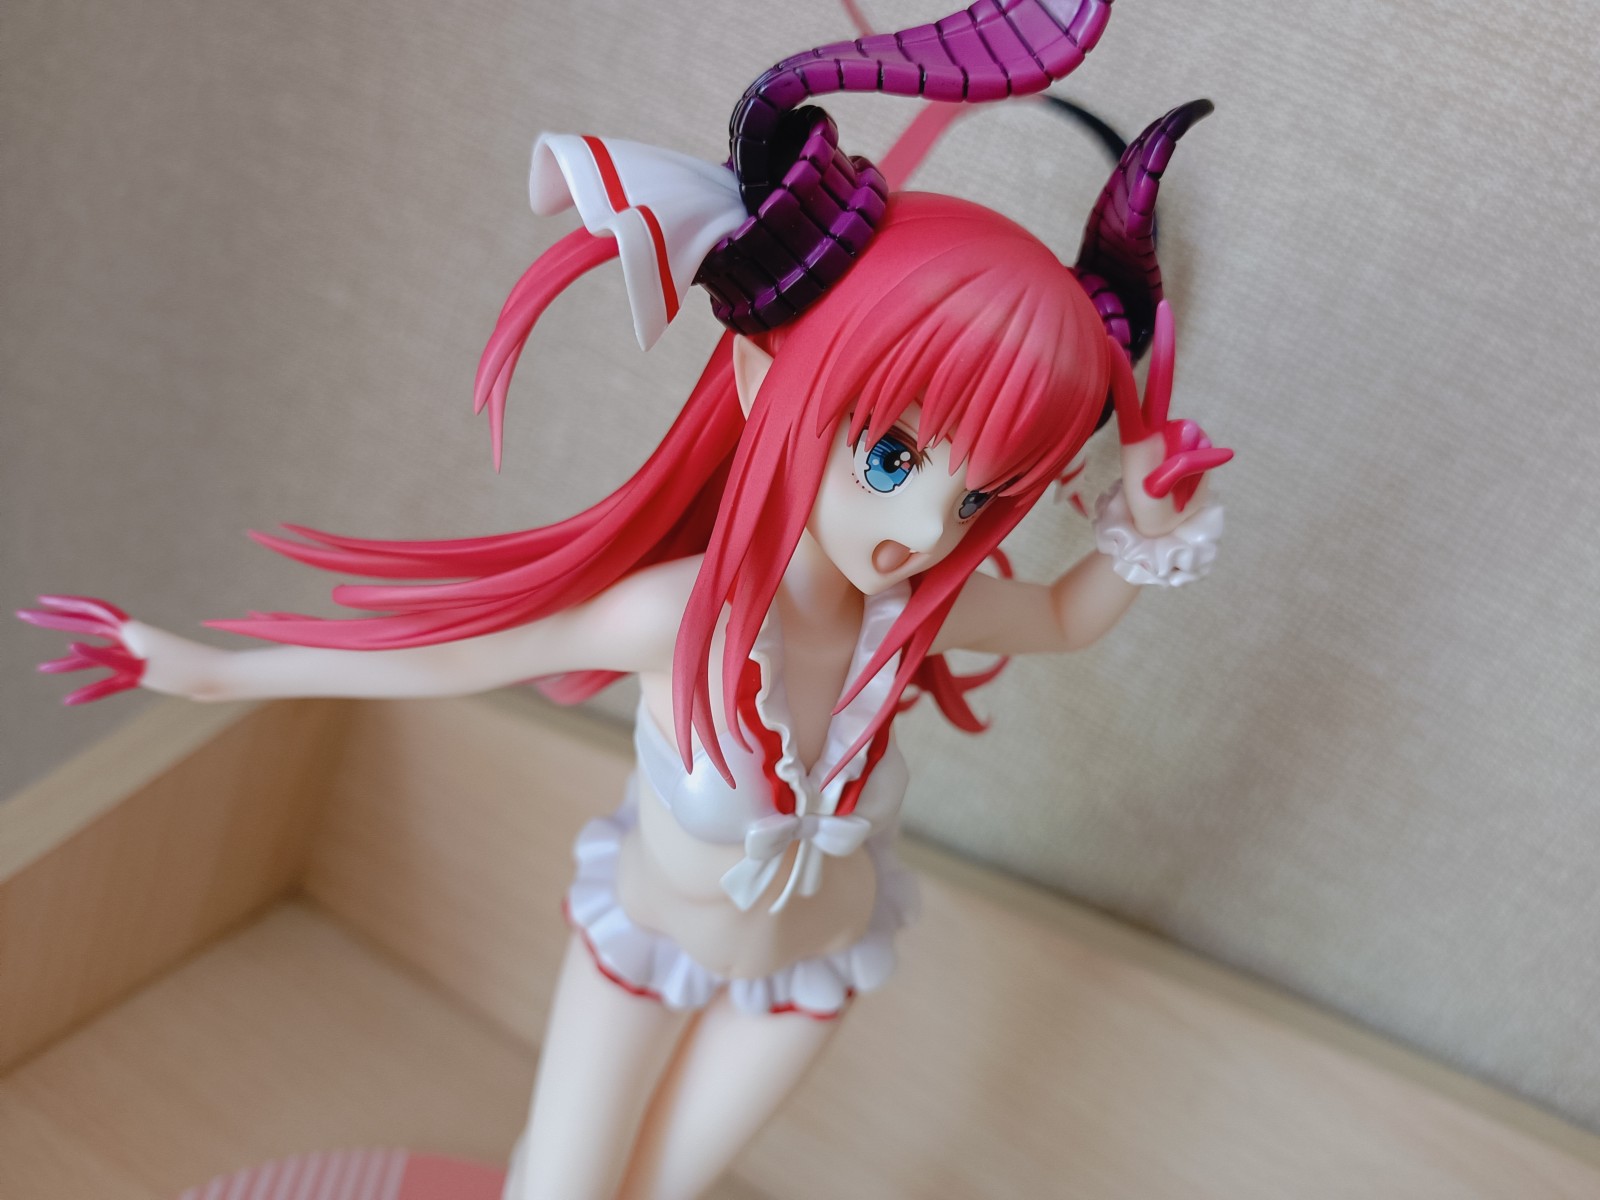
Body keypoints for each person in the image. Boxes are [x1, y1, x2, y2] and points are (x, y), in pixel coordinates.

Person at [22, 3, 1231, 1197]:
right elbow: (457, 659)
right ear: (763, 381)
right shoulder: (680, 618)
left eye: (975, 499)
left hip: (805, 980)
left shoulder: (909, 622)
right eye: (891, 458)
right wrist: (209, 671)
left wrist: (1151, 526)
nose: (923, 531)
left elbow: (1063, 619)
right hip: (642, 958)